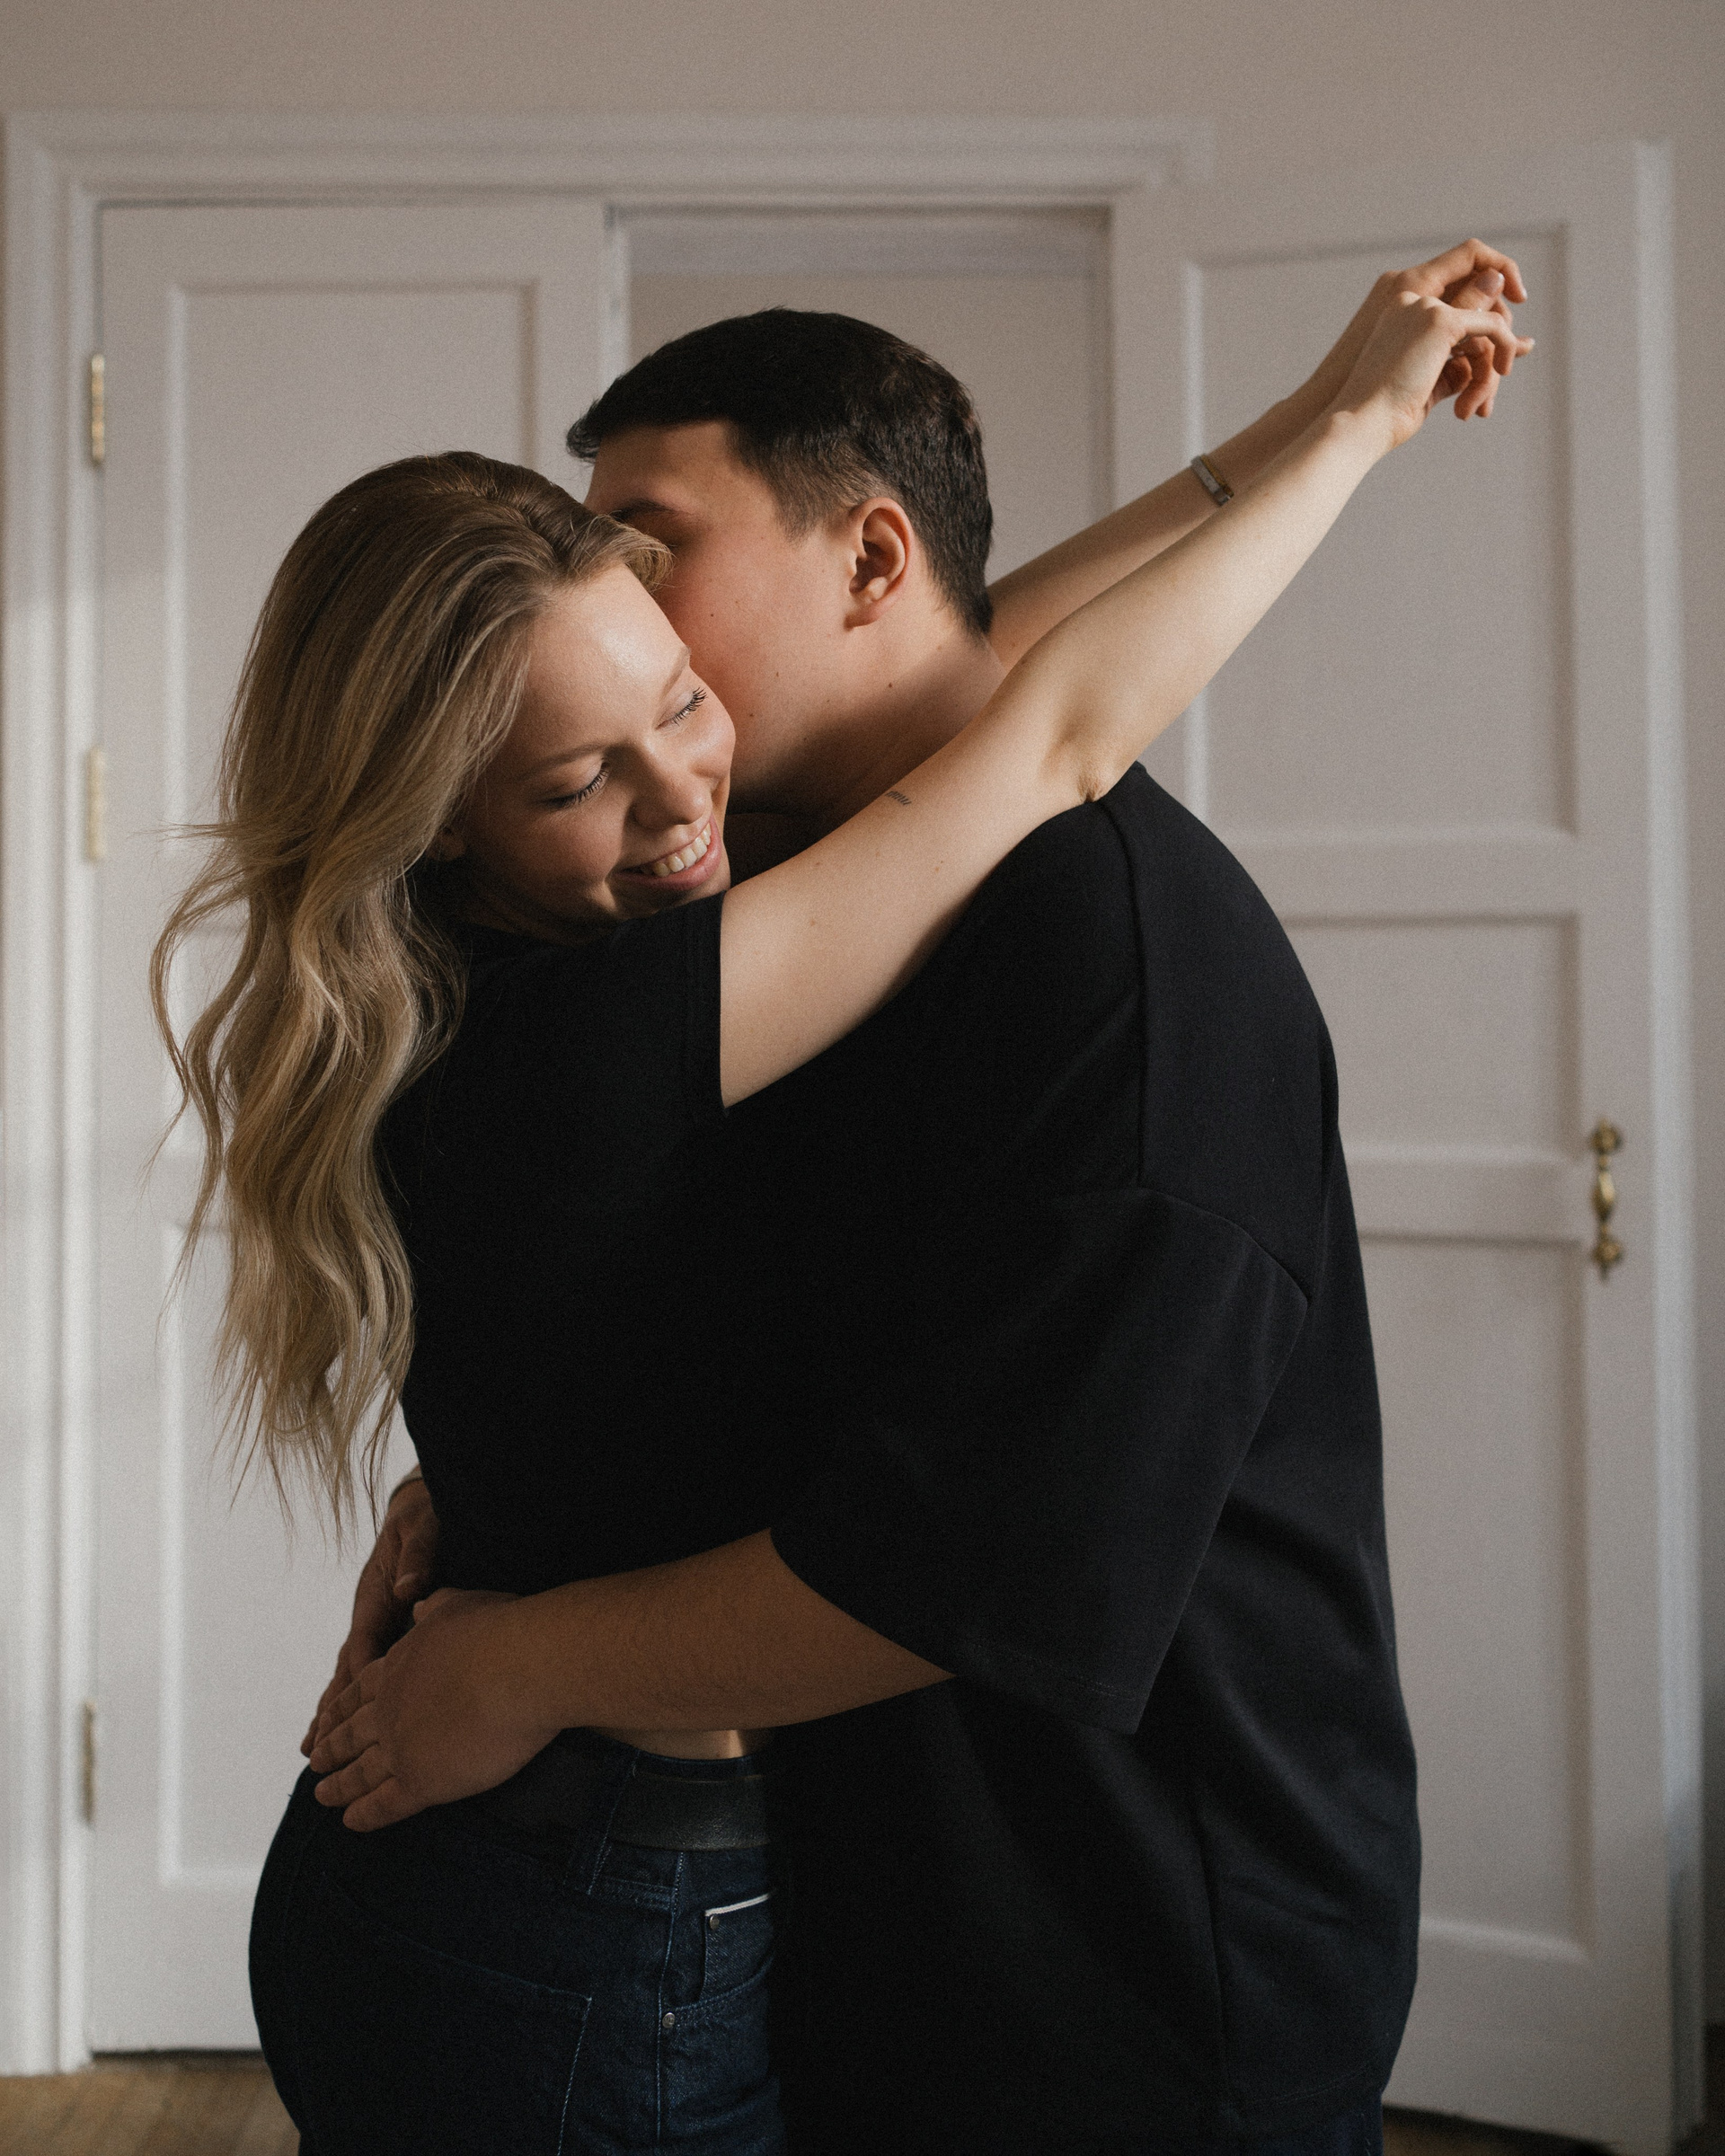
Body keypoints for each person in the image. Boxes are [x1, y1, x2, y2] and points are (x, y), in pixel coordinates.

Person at [296, 250, 1529, 2154]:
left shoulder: (1068, 949)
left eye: (656, 569)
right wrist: (1351, 424)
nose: (666, 739)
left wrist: (1319, 419)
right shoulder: (653, 969)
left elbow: (1005, 671)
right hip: (660, 1930)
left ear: (870, 562)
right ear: (456, 807)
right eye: (582, 765)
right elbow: (1035, 720)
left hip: (1116, 1986)